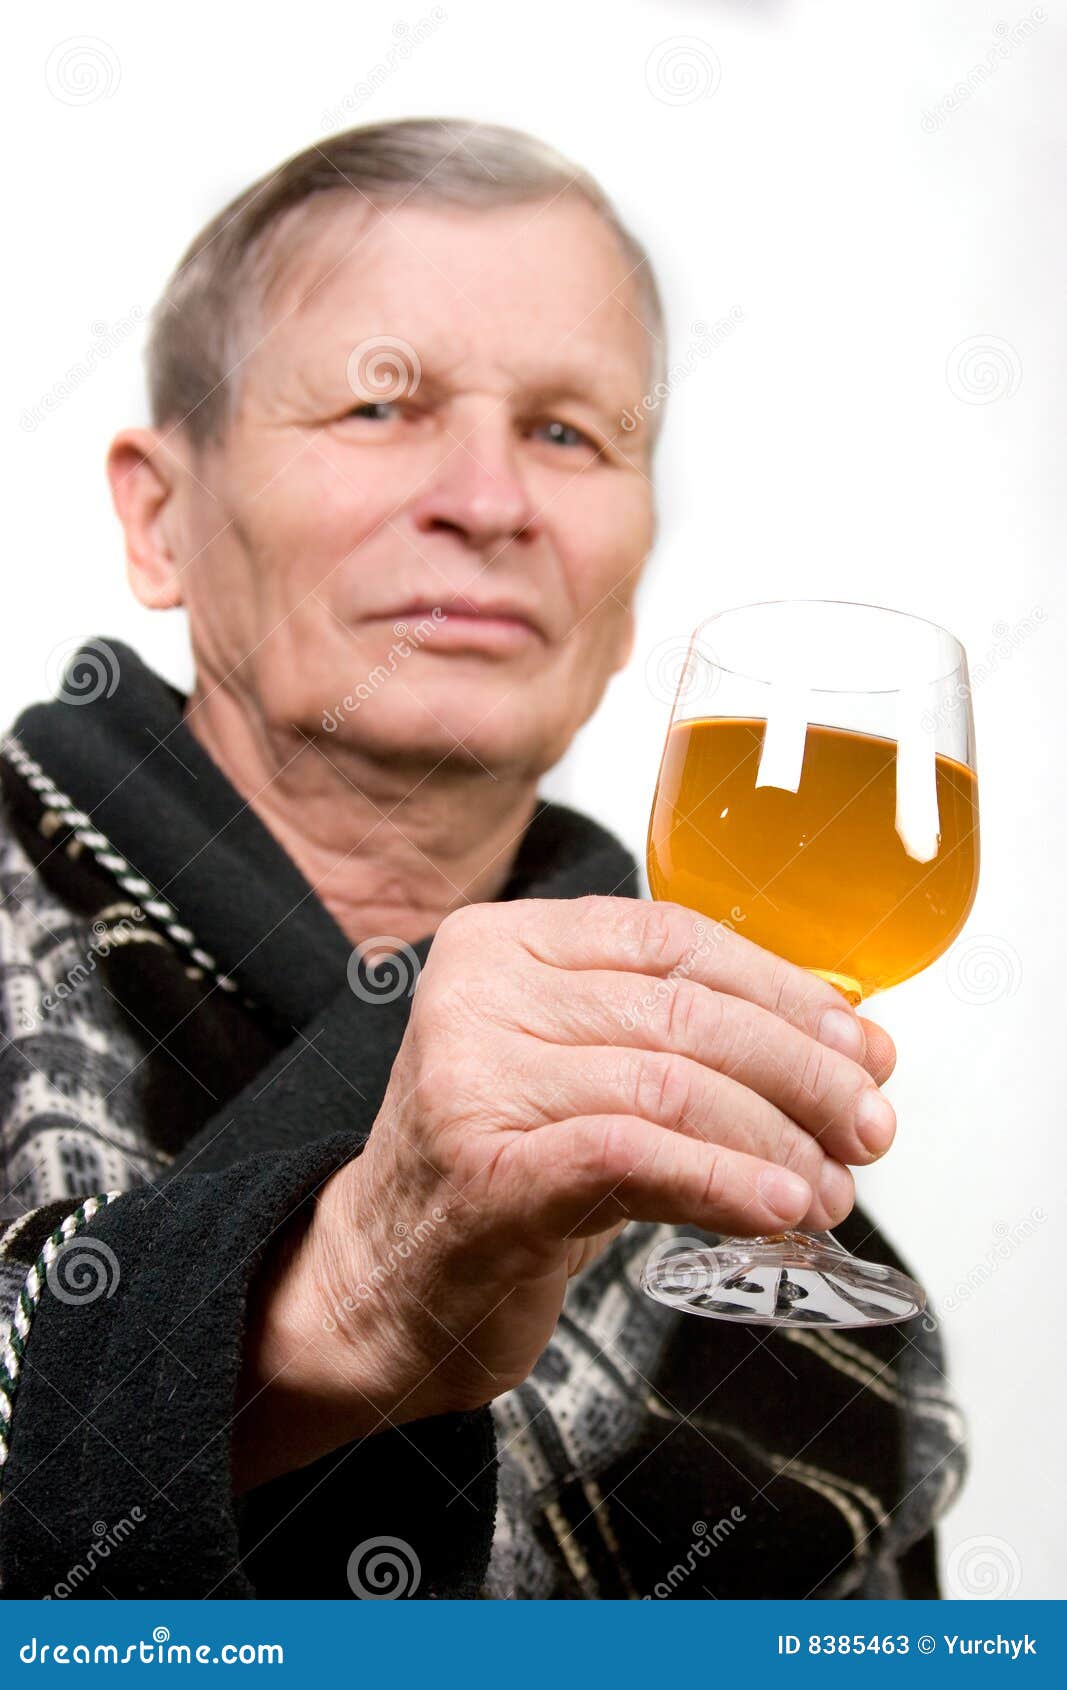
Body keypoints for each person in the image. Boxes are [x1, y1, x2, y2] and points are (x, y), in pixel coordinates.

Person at [0, 119, 963, 1600]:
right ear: (160, 513)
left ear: (628, 587)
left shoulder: (779, 1221)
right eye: (382, 409)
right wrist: (336, 1296)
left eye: (570, 433)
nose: (492, 500)